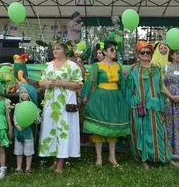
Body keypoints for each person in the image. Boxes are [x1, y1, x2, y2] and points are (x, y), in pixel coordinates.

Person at [126, 41, 174, 169]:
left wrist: (163, 101)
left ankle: (164, 157)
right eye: (143, 52)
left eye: (148, 52)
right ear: (138, 54)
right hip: (139, 106)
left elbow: (160, 87)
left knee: (160, 131)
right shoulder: (133, 69)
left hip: (155, 105)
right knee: (141, 132)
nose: (146, 54)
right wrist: (131, 105)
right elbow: (128, 89)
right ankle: (143, 159)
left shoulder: (156, 68)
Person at [82, 41, 129, 166]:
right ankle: (99, 158)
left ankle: (112, 157)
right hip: (100, 97)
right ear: (105, 52)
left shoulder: (118, 66)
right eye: (112, 50)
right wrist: (85, 95)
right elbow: (90, 82)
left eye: (115, 50)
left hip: (115, 98)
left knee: (112, 125)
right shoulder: (97, 66)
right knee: (99, 127)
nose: (114, 52)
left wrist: (125, 98)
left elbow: (122, 84)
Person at [38, 42, 83, 173]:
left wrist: (61, 83)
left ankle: (61, 162)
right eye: (54, 49)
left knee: (63, 129)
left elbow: (79, 85)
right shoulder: (49, 65)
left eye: (58, 48)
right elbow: (41, 82)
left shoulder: (73, 66)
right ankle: (54, 159)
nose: (55, 50)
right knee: (51, 128)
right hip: (51, 103)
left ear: (65, 51)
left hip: (66, 102)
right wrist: (46, 83)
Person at [13, 84, 40, 175]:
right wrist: (17, 125)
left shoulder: (33, 106)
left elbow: (38, 119)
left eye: (25, 92)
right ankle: (19, 167)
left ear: (29, 94)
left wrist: (35, 118)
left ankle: (28, 168)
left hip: (28, 132)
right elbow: (15, 117)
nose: (23, 94)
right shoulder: (17, 105)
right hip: (19, 131)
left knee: (28, 151)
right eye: (21, 93)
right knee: (18, 151)